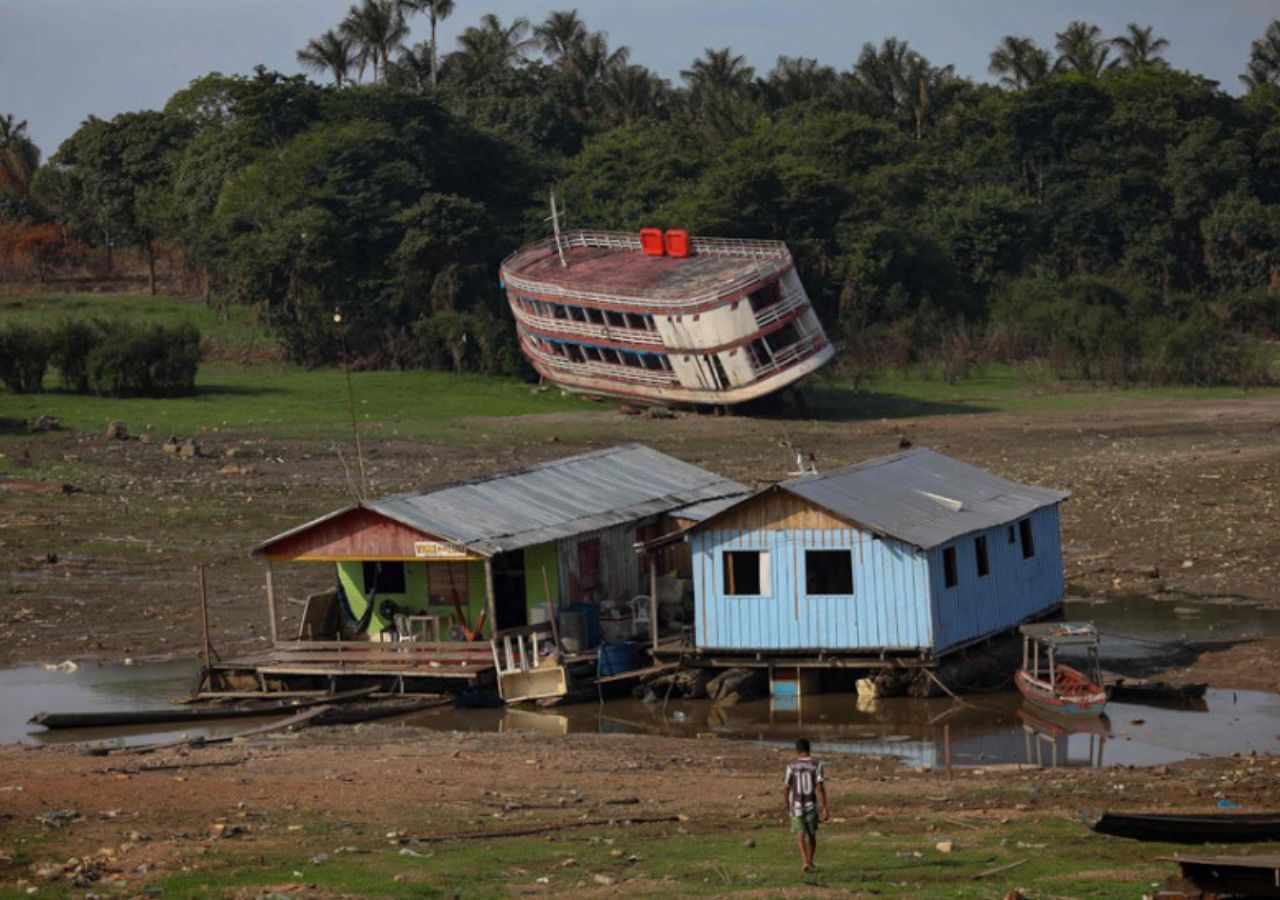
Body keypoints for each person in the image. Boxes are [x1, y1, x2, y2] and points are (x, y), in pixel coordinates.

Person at [784, 737, 829, 872]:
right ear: (809, 748)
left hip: (796, 805)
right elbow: (819, 787)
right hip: (811, 804)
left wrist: (787, 804)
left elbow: (786, 787)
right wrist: (824, 807)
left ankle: (804, 861)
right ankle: (810, 861)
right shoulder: (817, 764)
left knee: (800, 833)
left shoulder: (791, 765)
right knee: (811, 834)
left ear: (797, 750)